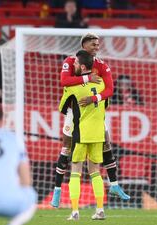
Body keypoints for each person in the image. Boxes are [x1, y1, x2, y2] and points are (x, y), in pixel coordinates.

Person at [51, 33, 130, 208]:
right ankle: (57, 191)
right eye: (94, 44)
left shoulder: (102, 65)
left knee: (106, 144)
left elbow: (110, 90)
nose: (97, 47)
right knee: (67, 148)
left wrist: (94, 99)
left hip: (94, 111)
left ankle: (115, 185)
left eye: (98, 44)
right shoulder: (71, 61)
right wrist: (87, 78)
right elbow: (64, 81)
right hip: (74, 112)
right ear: (84, 44)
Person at [59, 50, 106, 220]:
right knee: (95, 172)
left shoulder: (73, 86)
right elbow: (105, 104)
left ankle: (75, 212)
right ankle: (100, 210)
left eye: (76, 64)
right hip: (98, 134)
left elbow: (62, 108)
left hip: (81, 133)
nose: (74, 66)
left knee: (75, 171)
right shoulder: (101, 84)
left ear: (83, 66)